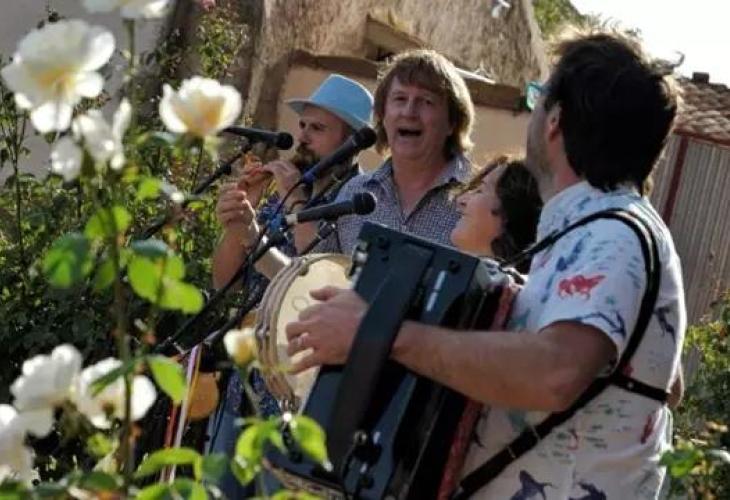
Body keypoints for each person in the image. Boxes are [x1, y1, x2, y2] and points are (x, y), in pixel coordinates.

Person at [285, 28, 685, 499]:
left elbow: (556, 373)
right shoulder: (594, 231)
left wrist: (379, 333)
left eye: (536, 98)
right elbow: (661, 380)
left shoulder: (612, 235)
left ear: (555, 121)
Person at [206, 73, 373, 498]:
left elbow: (318, 275)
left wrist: (295, 200)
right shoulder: (283, 194)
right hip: (246, 383)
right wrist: (243, 215)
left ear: (350, 141)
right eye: (302, 125)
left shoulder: (357, 199)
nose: (303, 137)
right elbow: (224, 281)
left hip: (299, 395)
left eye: (318, 128)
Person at [314, 48, 475, 255]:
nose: (409, 112)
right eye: (400, 99)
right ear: (383, 115)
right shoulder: (354, 193)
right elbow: (322, 271)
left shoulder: (477, 198)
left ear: (452, 122)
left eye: (426, 101)